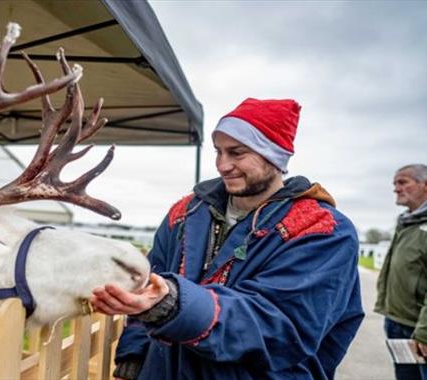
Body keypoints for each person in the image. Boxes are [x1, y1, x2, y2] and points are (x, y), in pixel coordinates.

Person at [90, 98, 364, 379]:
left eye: (237, 153)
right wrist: (134, 357)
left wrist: (174, 305)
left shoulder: (323, 229)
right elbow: (149, 284)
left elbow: (281, 325)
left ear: (274, 155)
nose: (223, 165)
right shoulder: (186, 211)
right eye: (218, 152)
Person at [375, 164, 427, 380]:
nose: (396, 189)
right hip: (398, 323)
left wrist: (424, 332)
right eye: (395, 183)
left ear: (424, 185)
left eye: (403, 182)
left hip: (420, 330)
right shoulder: (407, 222)